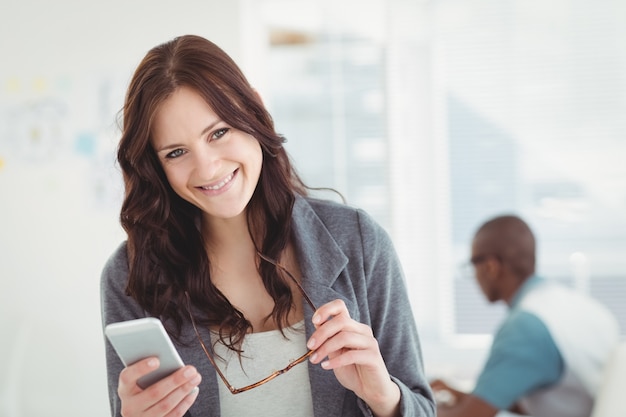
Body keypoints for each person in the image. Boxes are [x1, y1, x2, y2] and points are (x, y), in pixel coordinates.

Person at [100, 34, 435, 417]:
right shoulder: (130, 276)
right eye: (176, 152)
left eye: (219, 132)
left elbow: (422, 408)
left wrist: (383, 397)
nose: (207, 167)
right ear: (155, 166)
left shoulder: (359, 242)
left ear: (255, 109)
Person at [430, 215, 620, 417]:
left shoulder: (524, 327)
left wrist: (412, 408)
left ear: (490, 267)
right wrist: (461, 395)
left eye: (473, 265)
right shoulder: (580, 307)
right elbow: (539, 400)